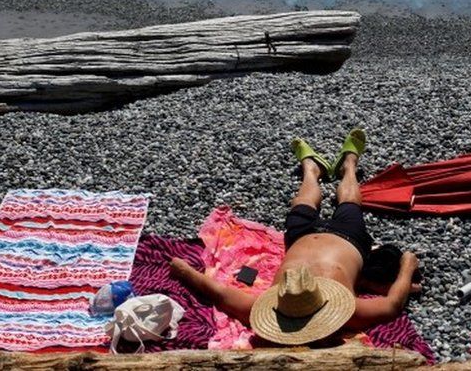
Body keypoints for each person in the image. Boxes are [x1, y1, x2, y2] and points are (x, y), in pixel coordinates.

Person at [170, 128, 422, 346]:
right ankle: (349, 166)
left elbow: (219, 293)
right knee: (349, 203)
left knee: (302, 202)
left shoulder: (265, 308)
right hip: (348, 240)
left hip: (301, 238)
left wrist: (184, 271)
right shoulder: (348, 312)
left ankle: (312, 170)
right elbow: (392, 304)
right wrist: (407, 265)